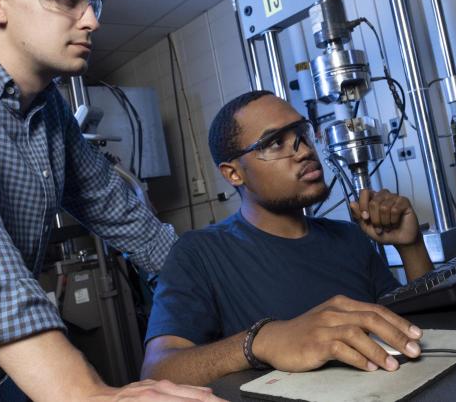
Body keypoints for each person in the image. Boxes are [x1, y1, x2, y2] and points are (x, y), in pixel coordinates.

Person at [0, 0, 224, 400]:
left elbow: (131, 222)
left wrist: (231, 298)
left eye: (93, 2)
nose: (91, 20)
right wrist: (84, 392)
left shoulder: (50, 115)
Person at [141, 90, 434, 386]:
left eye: (301, 133)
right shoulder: (199, 253)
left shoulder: (348, 237)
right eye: (274, 142)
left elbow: (414, 331)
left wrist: (410, 247)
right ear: (234, 173)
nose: (304, 150)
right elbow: (158, 371)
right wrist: (260, 341)